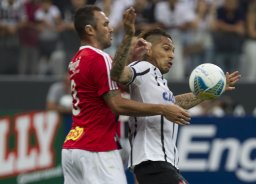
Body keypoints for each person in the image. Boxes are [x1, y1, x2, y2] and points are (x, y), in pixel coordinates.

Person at [61, 5, 190, 184]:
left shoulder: (76, 60)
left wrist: (131, 58)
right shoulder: (101, 58)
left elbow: (114, 84)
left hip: (73, 147)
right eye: (105, 24)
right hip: (97, 147)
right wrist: (162, 109)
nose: (111, 28)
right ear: (90, 30)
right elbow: (117, 104)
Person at [110, 28, 241, 184]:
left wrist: (210, 90)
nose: (172, 55)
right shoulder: (142, 68)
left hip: (159, 165)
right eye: (166, 49)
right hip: (153, 162)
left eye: (173, 50)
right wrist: (126, 41)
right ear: (149, 50)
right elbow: (117, 74)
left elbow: (173, 104)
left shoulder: (159, 81)